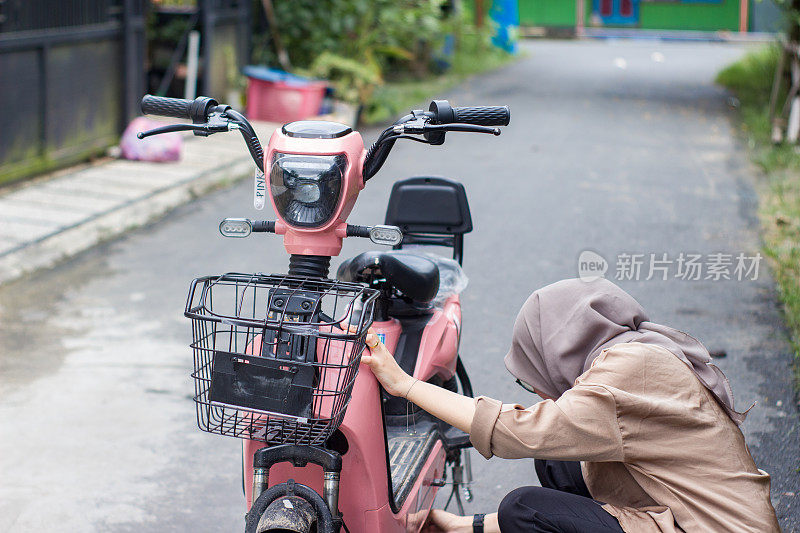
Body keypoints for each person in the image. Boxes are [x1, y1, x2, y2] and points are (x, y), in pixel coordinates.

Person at [360, 278, 780, 533]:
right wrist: (465, 526)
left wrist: (405, 385)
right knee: (560, 463)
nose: (540, 390)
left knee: (522, 508)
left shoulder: (628, 372)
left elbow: (521, 431)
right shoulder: (636, 353)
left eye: (533, 375)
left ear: (557, 349)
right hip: (686, 518)